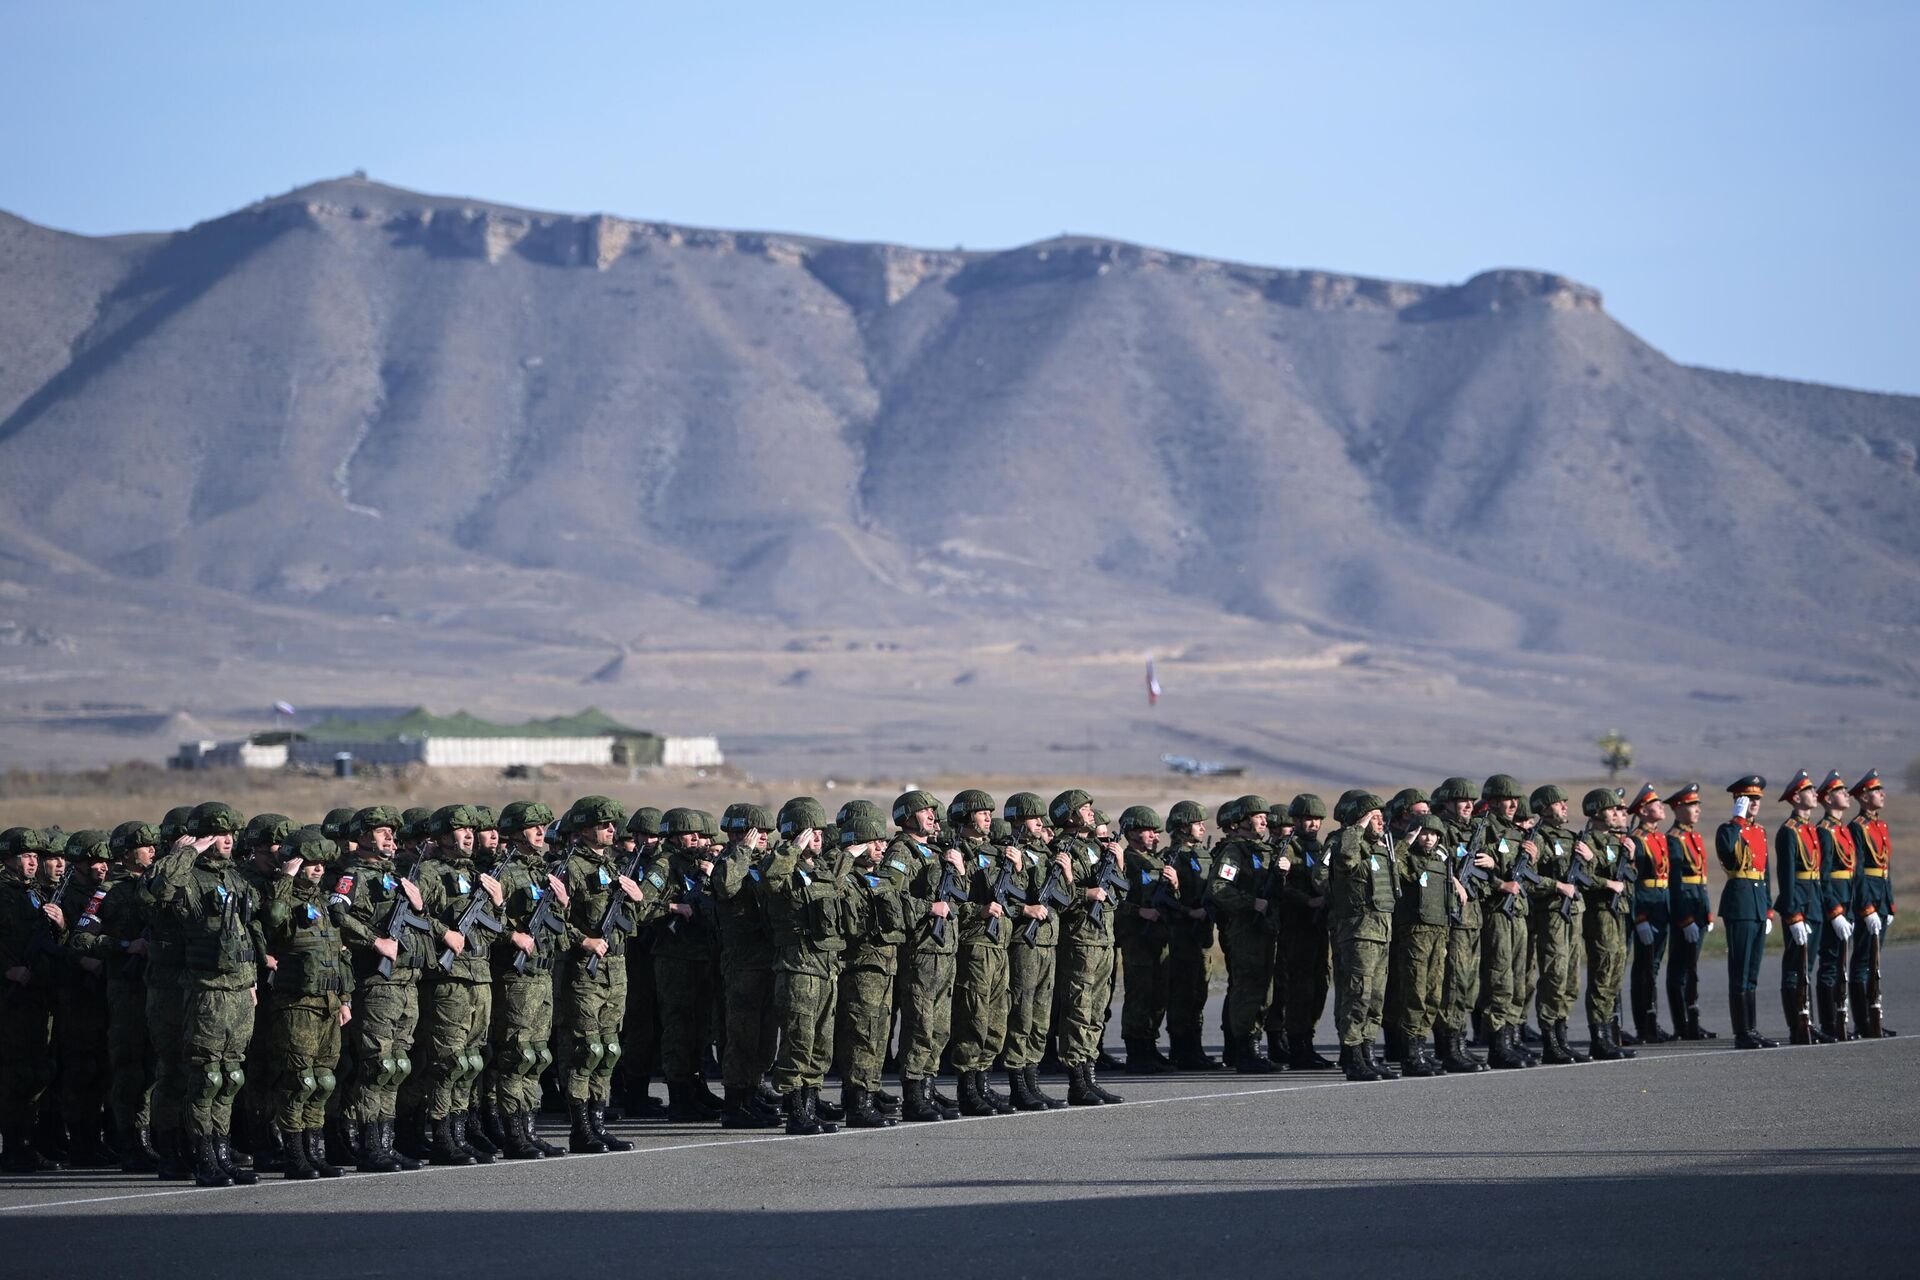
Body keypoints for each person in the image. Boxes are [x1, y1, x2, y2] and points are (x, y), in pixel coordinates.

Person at [149, 802, 268, 1186]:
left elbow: (244, 932)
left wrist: (251, 980)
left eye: (231, 834)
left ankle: (221, 1152)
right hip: (206, 991)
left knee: (230, 1075)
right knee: (206, 1077)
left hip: (238, 989)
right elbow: (157, 889)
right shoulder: (188, 875)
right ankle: (202, 1158)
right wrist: (186, 852)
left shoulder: (234, 877)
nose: (228, 841)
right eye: (219, 834)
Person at [330, 805, 427, 1173]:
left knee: (398, 1065)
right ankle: (369, 1145)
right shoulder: (352, 876)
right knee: (377, 1065)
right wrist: (374, 941)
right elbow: (337, 913)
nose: (389, 837)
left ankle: (385, 1142)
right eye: (381, 830)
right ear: (364, 836)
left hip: (406, 984)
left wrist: (419, 905)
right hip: (375, 984)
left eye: (391, 831)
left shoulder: (394, 875)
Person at [557, 795, 646, 1153]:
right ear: (584, 830)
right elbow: (556, 922)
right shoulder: (570, 867)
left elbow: (630, 926)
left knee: (609, 1049)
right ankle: (580, 1128)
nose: (612, 830)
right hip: (584, 972)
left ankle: (599, 1123)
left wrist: (637, 899)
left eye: (613, 824)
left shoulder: (612, 866)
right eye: (603, 825)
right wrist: (584, 941)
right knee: (586, 1049)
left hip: (615, 971)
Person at [260, 827, 350, 1179]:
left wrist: (344, 998)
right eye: (309, 863)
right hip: (296, 1003)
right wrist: (286, 877)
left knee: (324, 1081)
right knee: (300, 1081)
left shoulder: (322, 903)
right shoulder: (282, 898)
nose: (317, 869)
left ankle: (315, 1152)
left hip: (327, 1001)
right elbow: (273, 921)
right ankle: (294, 1155)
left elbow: (335, 955)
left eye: (320, 864)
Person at [485, 800, 570, 1157]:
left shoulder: (542, 871)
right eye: (534, 826)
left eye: (543, 826)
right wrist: (509, 928)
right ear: (517, 832)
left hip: (542, 974)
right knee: (516, 1056)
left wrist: (563, 903)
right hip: (516, 977)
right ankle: (514, 1133)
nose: (541, 832)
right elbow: (487, 919)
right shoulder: (502, 870)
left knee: (537, 1056)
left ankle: (530, 1129)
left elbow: (560, 933)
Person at [763, 797, 842, 1135]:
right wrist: (790, 850)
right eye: (812, 832)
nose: (819, 839)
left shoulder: (820, 869)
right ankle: (795, 1112)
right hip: (798, 968)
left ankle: (810, 1105)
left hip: (826, 966)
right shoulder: (781, 864)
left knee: (820, 1043)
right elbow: (771, 881)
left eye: (821, 833)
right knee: (799, 1039)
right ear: (797, 835)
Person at [1051, 790, 1125, 1105]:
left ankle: (1091, 1076)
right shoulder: (1061, 849)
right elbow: (1059, 897)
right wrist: (1082, 890)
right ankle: (1077, 1082)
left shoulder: (1096, 847)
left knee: (1096, 1012)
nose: (1090, 812)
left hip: (1104, 939)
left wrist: (1119, 864)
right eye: (1084, 808)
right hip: (1079, 940)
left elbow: (1117, 897)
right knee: (1078, 1010)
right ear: (1069, 816)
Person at [0, 827, 66, 1172]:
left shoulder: (36, 894)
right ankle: (12, 1145)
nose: (32, 862)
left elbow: (54, 944)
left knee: (37, 1072)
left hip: (38, 995)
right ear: (8, 859)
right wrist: (9, 969)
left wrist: (61, 923)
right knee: (14, 1073)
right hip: (10, 997)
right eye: (25, 856)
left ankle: (26, 1142)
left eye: (35, 857)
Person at [1207, 795, 1285, 1073]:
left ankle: (1255, 1046)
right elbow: (1219, 888)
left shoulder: (1263, 850)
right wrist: (1251, 902)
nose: (1265, 820)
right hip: (1245, 930)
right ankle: (1244, 1050)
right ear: (1242, 821)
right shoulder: (1234, 851)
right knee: (1247, 989)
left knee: (1265, 991)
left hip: (1266, 930)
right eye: (1257, 815)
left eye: (1265, 815)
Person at [1002, 792, 1068, 1111]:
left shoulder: (1044, 853)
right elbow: (1001, 898)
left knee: (1041, 1015)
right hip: (1023, 944)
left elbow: (1063, 900)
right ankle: (1018, 1083)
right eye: (1034, 817)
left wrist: (1065, 872)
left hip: (1047, 942)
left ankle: (1033, 1079)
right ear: (1017, 820)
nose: (1041, 823)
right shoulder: (1010, 852)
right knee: (1022, 1012)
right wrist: (1023, 905)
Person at [1390, 813, 1456, 1077]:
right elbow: (1393, 864)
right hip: (1415, 932)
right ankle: (1410, 1053)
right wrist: (1406, 840)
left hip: (1439, 932)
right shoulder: (1408, 859)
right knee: (1414, 993)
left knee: (1432, 994)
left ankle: (1420, 1046)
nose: (1428, 838)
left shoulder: (1442, 862)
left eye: (1432, 834)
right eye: (1423, 833)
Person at [1716, 775, 1778, 1050]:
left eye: (1757, 799)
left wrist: (1768, 908)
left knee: (1752, 972)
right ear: (1739, 801)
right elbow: (1728, 851)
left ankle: (1752, 1028)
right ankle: (1742, 1032)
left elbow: (1765, 874)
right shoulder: (1729, 829)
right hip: (1739, 904)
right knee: (1739, 971)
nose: (1755, 803)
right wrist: (1737, 820)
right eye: (1749, 799)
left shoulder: (1760, 831)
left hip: (1756, 905)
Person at [1115, 804, 1176, 1074]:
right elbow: (1115, 900)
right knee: (1139, 994)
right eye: (1149, 831)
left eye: (1155, 831)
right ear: (1133, 832)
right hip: (1137, 937)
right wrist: (1139, 911)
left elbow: (1171, 903)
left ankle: (1150, 1046)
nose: (1154, 836)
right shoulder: (1124, 861)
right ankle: (1137, 1052)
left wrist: (1175, 885)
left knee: (1158, 994)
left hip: (1159, 938)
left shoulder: (1159, 862)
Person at [1576, 789, 1637, 1061]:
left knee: (1615, 974)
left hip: (1618, 913)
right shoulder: (1588, 841)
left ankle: (1611, 1034)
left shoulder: (1615, 842)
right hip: (1600, 913)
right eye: (1611, 809)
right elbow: (1584, 877)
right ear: (1597, 811)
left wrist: (1631, 857)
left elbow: (1627, 877)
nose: (1617, 814)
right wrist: (1605, 879)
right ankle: (1599, 1039)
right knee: (1603, 974)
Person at [1163, 799, 1219, 1069]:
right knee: (1182, 992)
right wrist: (1188, 911)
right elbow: (1162, 899)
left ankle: (1194, 1047)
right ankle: (1180, 1048)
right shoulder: (1171, 857)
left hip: (1203, 935)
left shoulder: (1204, 856)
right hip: (1181, 934)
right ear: (1183, 827)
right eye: (1197, 823)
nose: (1202, 827)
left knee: (1199, 992)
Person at [1775, 772, 1825, 1044]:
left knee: (1809, 966)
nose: (1815, 794)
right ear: (1796, 797)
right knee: (1796, 967)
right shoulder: (1789, 832)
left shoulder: (1811, 830)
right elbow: (1787, 877)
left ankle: (1809, 1021)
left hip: (1814, 903)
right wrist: (1793, 914)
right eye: (1810, 790)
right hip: (1799, 906)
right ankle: (1797, 1025)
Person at [1663, 783, 1717, 1039]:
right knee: (1679, 968)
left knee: (1692, 968)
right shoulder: (1673, 839)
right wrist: (1685, 919)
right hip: (1684, 909)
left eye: (1697, 805)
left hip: (1697, 905)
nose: (1697, 810)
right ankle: (1681, 1023)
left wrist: (1706, 912)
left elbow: (1702, 880)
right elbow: (1675, 884)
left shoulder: (1694, 837)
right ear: (1678, 809)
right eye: (1691, 805)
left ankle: (1693, 1020)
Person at [1626, 785, 1677, 1044]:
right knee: (1644, 969)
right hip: (1646, 904)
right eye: (1656, 804)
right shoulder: (1637, 839)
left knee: (1654, 967)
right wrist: (1640, 917)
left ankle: (1652, 1021)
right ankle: (1644, 1025)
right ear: (1644, 811)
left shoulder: (1660, 838)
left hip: (1661, 904)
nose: (1662, 807)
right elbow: (1633, 882)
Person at [1846, 770, 1896, 1037]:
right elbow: (1860, 872)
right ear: (1864, 797)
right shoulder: (1857, 827)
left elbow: (1886, 868)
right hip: (1867, 899)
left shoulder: (1881, 826)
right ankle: (1863, 1021)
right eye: (1877, 791)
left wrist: (1890, 904)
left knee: (1874, 961)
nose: (1882, 794)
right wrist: (1866, 908)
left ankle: (1873, 1016)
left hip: (1882, 899)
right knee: (1862, 960)